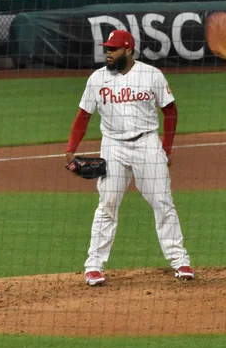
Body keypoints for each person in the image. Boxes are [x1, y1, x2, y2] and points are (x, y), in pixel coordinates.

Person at [65, 29, 194, 286]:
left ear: (129, 50)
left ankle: (180, 260)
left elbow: (170, 112)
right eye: (107, 48)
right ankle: (93, 266)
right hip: (112, 147)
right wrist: (70, 149)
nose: (108, 53)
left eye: (114, 49)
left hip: (147, 144)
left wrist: (166, 148)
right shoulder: (97, 79)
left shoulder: (151, 75)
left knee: (162, 202)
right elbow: (83, 116)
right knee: (107, 204)